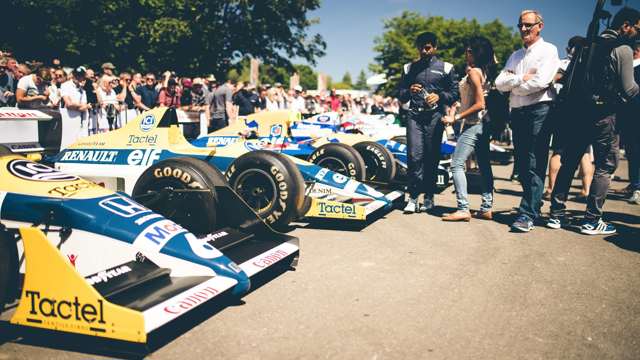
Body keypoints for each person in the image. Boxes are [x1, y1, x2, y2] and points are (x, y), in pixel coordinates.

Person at [547, 7, 640, 234]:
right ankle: (591, 220)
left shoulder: (586, 44)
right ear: (625, 25)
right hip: (604, 115)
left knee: (569, 162)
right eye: (637, 28)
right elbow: (629, 90)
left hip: (577, 113)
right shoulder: (623, 49)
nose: (637, 34)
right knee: (605, 166)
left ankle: (556, 215)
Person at [495, 10, 560, 232]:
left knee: (534, 161)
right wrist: (520, 78)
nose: (524, 29)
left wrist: (515, 86)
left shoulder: (548, 50)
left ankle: (527, 213)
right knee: (522, 163)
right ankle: (533, 205)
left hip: (540, 110)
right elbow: (499, 82)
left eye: (528, 25)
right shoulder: (515, 55)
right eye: (521, 25)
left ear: (539, 26)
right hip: (519, 111)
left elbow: (541, 81)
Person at [397, 31, 459, 213]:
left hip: (434, 117)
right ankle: (413, 197)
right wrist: (409, 90)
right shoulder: (408, 68)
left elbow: (455, 93)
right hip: (414, 116)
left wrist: (438, 96)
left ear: (434, 47)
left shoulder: (446, 68)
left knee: (431, 157)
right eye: (421, 47)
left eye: (428, 47)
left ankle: (429, 197)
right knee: (414, 157)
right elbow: (399, 94)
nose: (424, 51)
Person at [441, 36, 496, 221]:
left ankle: (463, 208)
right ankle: (486, 207)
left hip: (474, 124)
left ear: (475, 53)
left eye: (469, 50)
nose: (466, 53)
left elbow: (480, 103)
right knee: (484, 165)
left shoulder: (474, 72)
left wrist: (455, 117)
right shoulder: (483, 72)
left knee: (456, 164)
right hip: (483, 125)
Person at [545, 36, 595, 201]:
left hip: (563, 111)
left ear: (569, 49)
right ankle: (586, 189)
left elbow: (552, 81)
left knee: (558, 151)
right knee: (584, 153)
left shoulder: (562, 64)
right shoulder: (590, 64)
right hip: (584, 112)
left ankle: (552, 188)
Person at [59, 66, 91, 148]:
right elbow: (69, 104)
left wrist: (79, 106)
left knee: (79, 141)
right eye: (76, 75)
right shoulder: (65, 85)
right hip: (67, 117)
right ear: (73, 75)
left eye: (80, 75)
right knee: (67, 142)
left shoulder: (82, 90)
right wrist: (84, 106)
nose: (78, 77)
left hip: (79, 119)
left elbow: (82, 107)